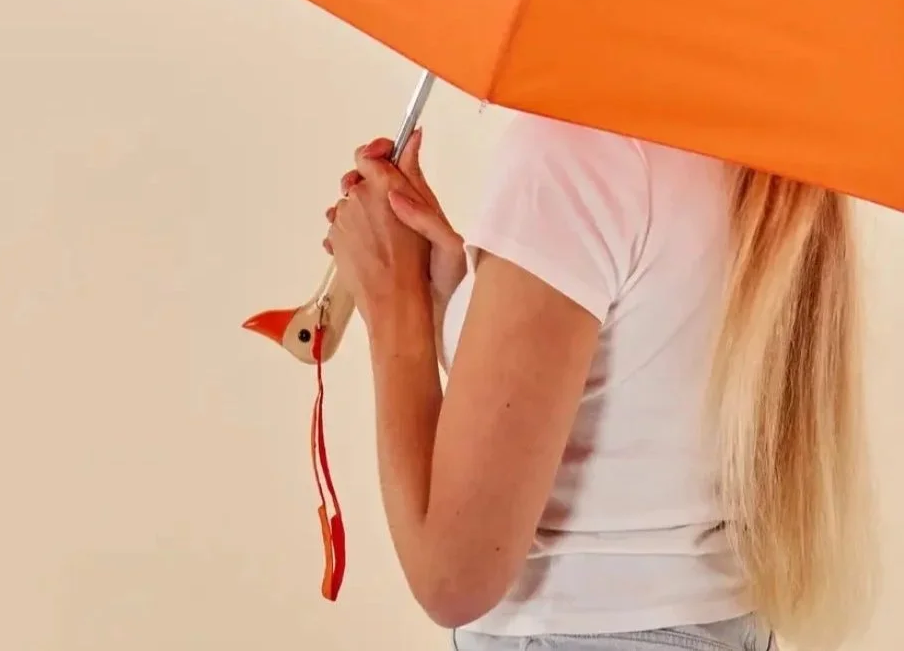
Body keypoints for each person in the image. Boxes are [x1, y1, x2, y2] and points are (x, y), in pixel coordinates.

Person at [324, 113, 875, 651]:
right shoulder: (761, 151)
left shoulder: (574, 152)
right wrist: (457, 308)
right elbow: (641, 377)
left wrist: (395, 307)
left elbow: (452, 576)